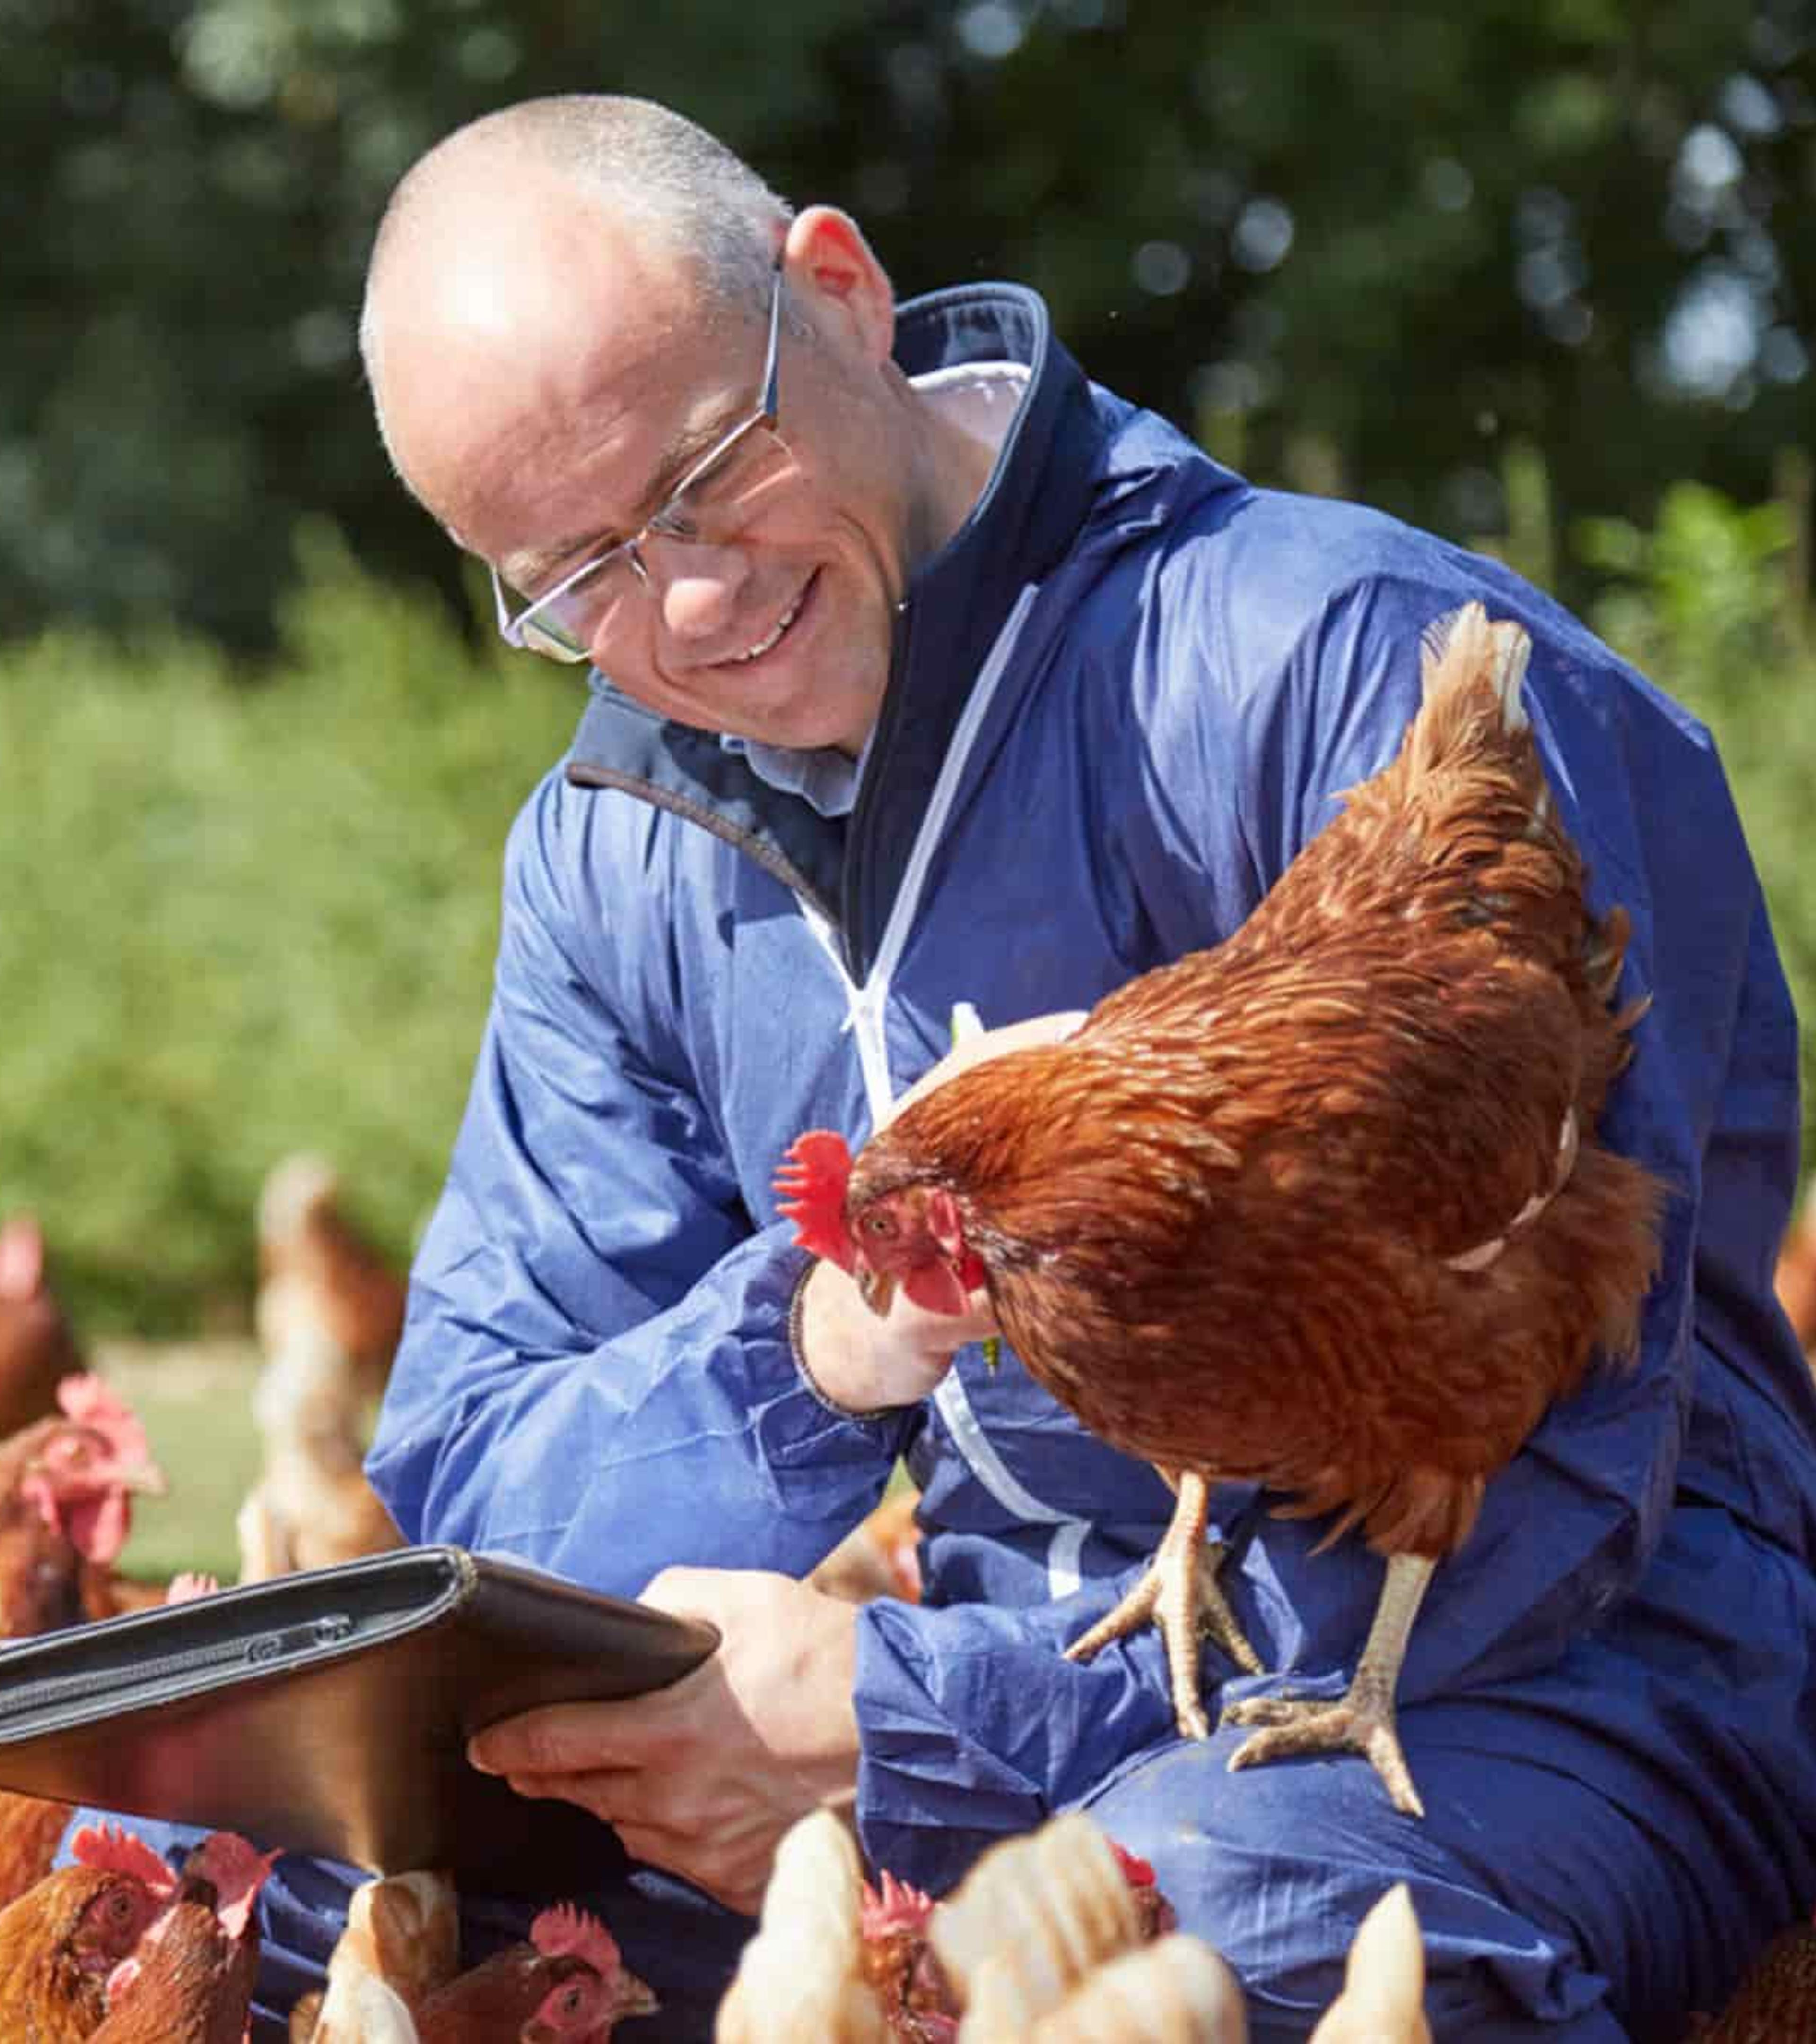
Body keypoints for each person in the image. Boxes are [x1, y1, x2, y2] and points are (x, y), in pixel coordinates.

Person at [66, 94, 1816, 2041]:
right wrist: (815, 1350)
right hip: (987, 1681)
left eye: (714, 471)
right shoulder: (621, 845)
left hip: (1524, 1699)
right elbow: (478, 1486)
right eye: (575, 580)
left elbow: (1580, 1467)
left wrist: (920, 1734)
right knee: (256, 1911)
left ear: (841, 290)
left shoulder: (1337, 673)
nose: (695, 603)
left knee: (1164, 1958)